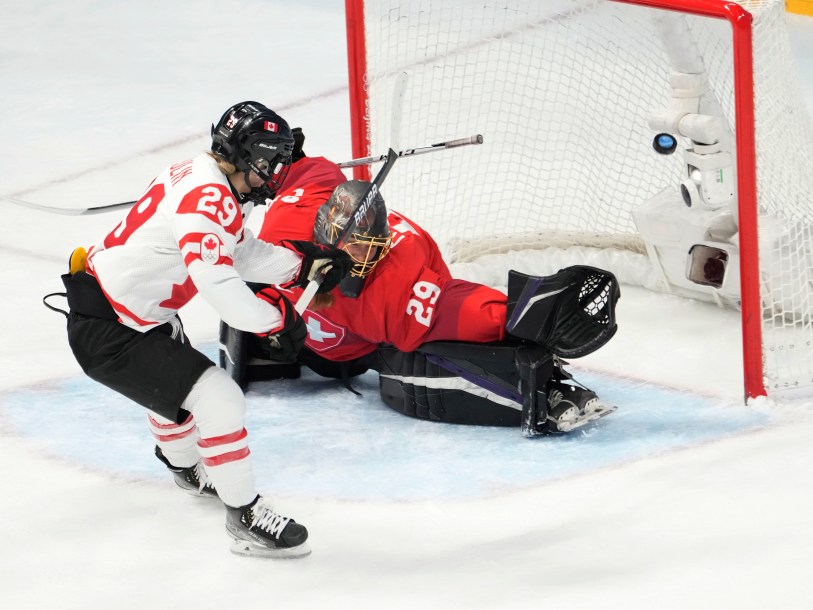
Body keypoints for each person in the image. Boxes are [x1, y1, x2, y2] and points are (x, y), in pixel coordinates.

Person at [44, 102, 350, 558]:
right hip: (111, 330)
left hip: (128, 311)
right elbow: (221, 286)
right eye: (273, 162)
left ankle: (186, 469)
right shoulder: (209, 199)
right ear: (253, 156)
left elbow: (239, 251)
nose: (277, 174)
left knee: (175, 399)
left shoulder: (205, 176)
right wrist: (277, 320)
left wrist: (301, 265)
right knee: (219, 399)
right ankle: (244, 517)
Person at [222, 132, 620, 436]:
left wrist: (521, 317)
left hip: (352, 350)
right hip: (315, 350)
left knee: (412, 353)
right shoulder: (293, 222)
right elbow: (301, 171)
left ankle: (537, 362)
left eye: (372, 247)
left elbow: (453, 307)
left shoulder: (392, 276)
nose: (363, 258)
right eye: (355, 247)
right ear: (325, 229)